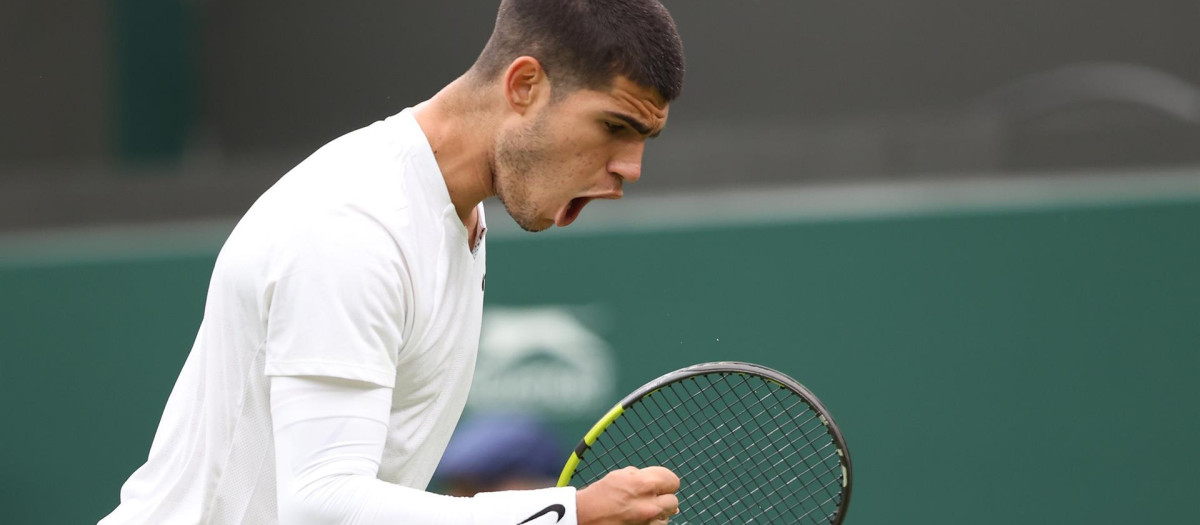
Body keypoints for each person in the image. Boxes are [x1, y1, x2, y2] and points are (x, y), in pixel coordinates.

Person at [99, 0, 685, 524]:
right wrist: (564, 515)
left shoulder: (453, 214)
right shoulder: (354, 225)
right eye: (614, 126)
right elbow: (321, 504)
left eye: (643, 140)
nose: (630, 168)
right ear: (525, 85)